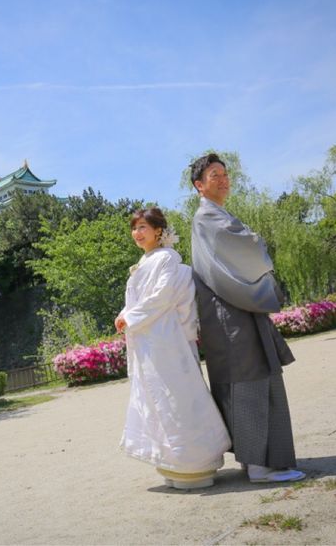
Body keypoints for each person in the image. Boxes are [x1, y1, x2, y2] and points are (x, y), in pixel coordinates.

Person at [190, 153, 305, 483]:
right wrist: (257, 240)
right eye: (214, 175)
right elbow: (246, 247)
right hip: (230, 312)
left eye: (225, 174)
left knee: (254, 378)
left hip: (236, 308)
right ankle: (259, 466)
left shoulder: (217, 214)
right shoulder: (206, 217)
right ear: (199, 186)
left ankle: (257, 461)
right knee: (248, 381)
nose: (223, 180)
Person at [115, 207, 231, 489]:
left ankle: (194, 462)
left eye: (143, 227)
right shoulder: (145, 261)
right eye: (134, 228)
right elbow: (141, 300)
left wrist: (130, 317)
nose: (137, 233)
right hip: (151, 339)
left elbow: (162, 296)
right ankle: (171, 460)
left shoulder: (166, 258)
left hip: (167, 340)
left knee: (178, 396)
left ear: (158, 230)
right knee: (159, 399)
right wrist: (125, 314)